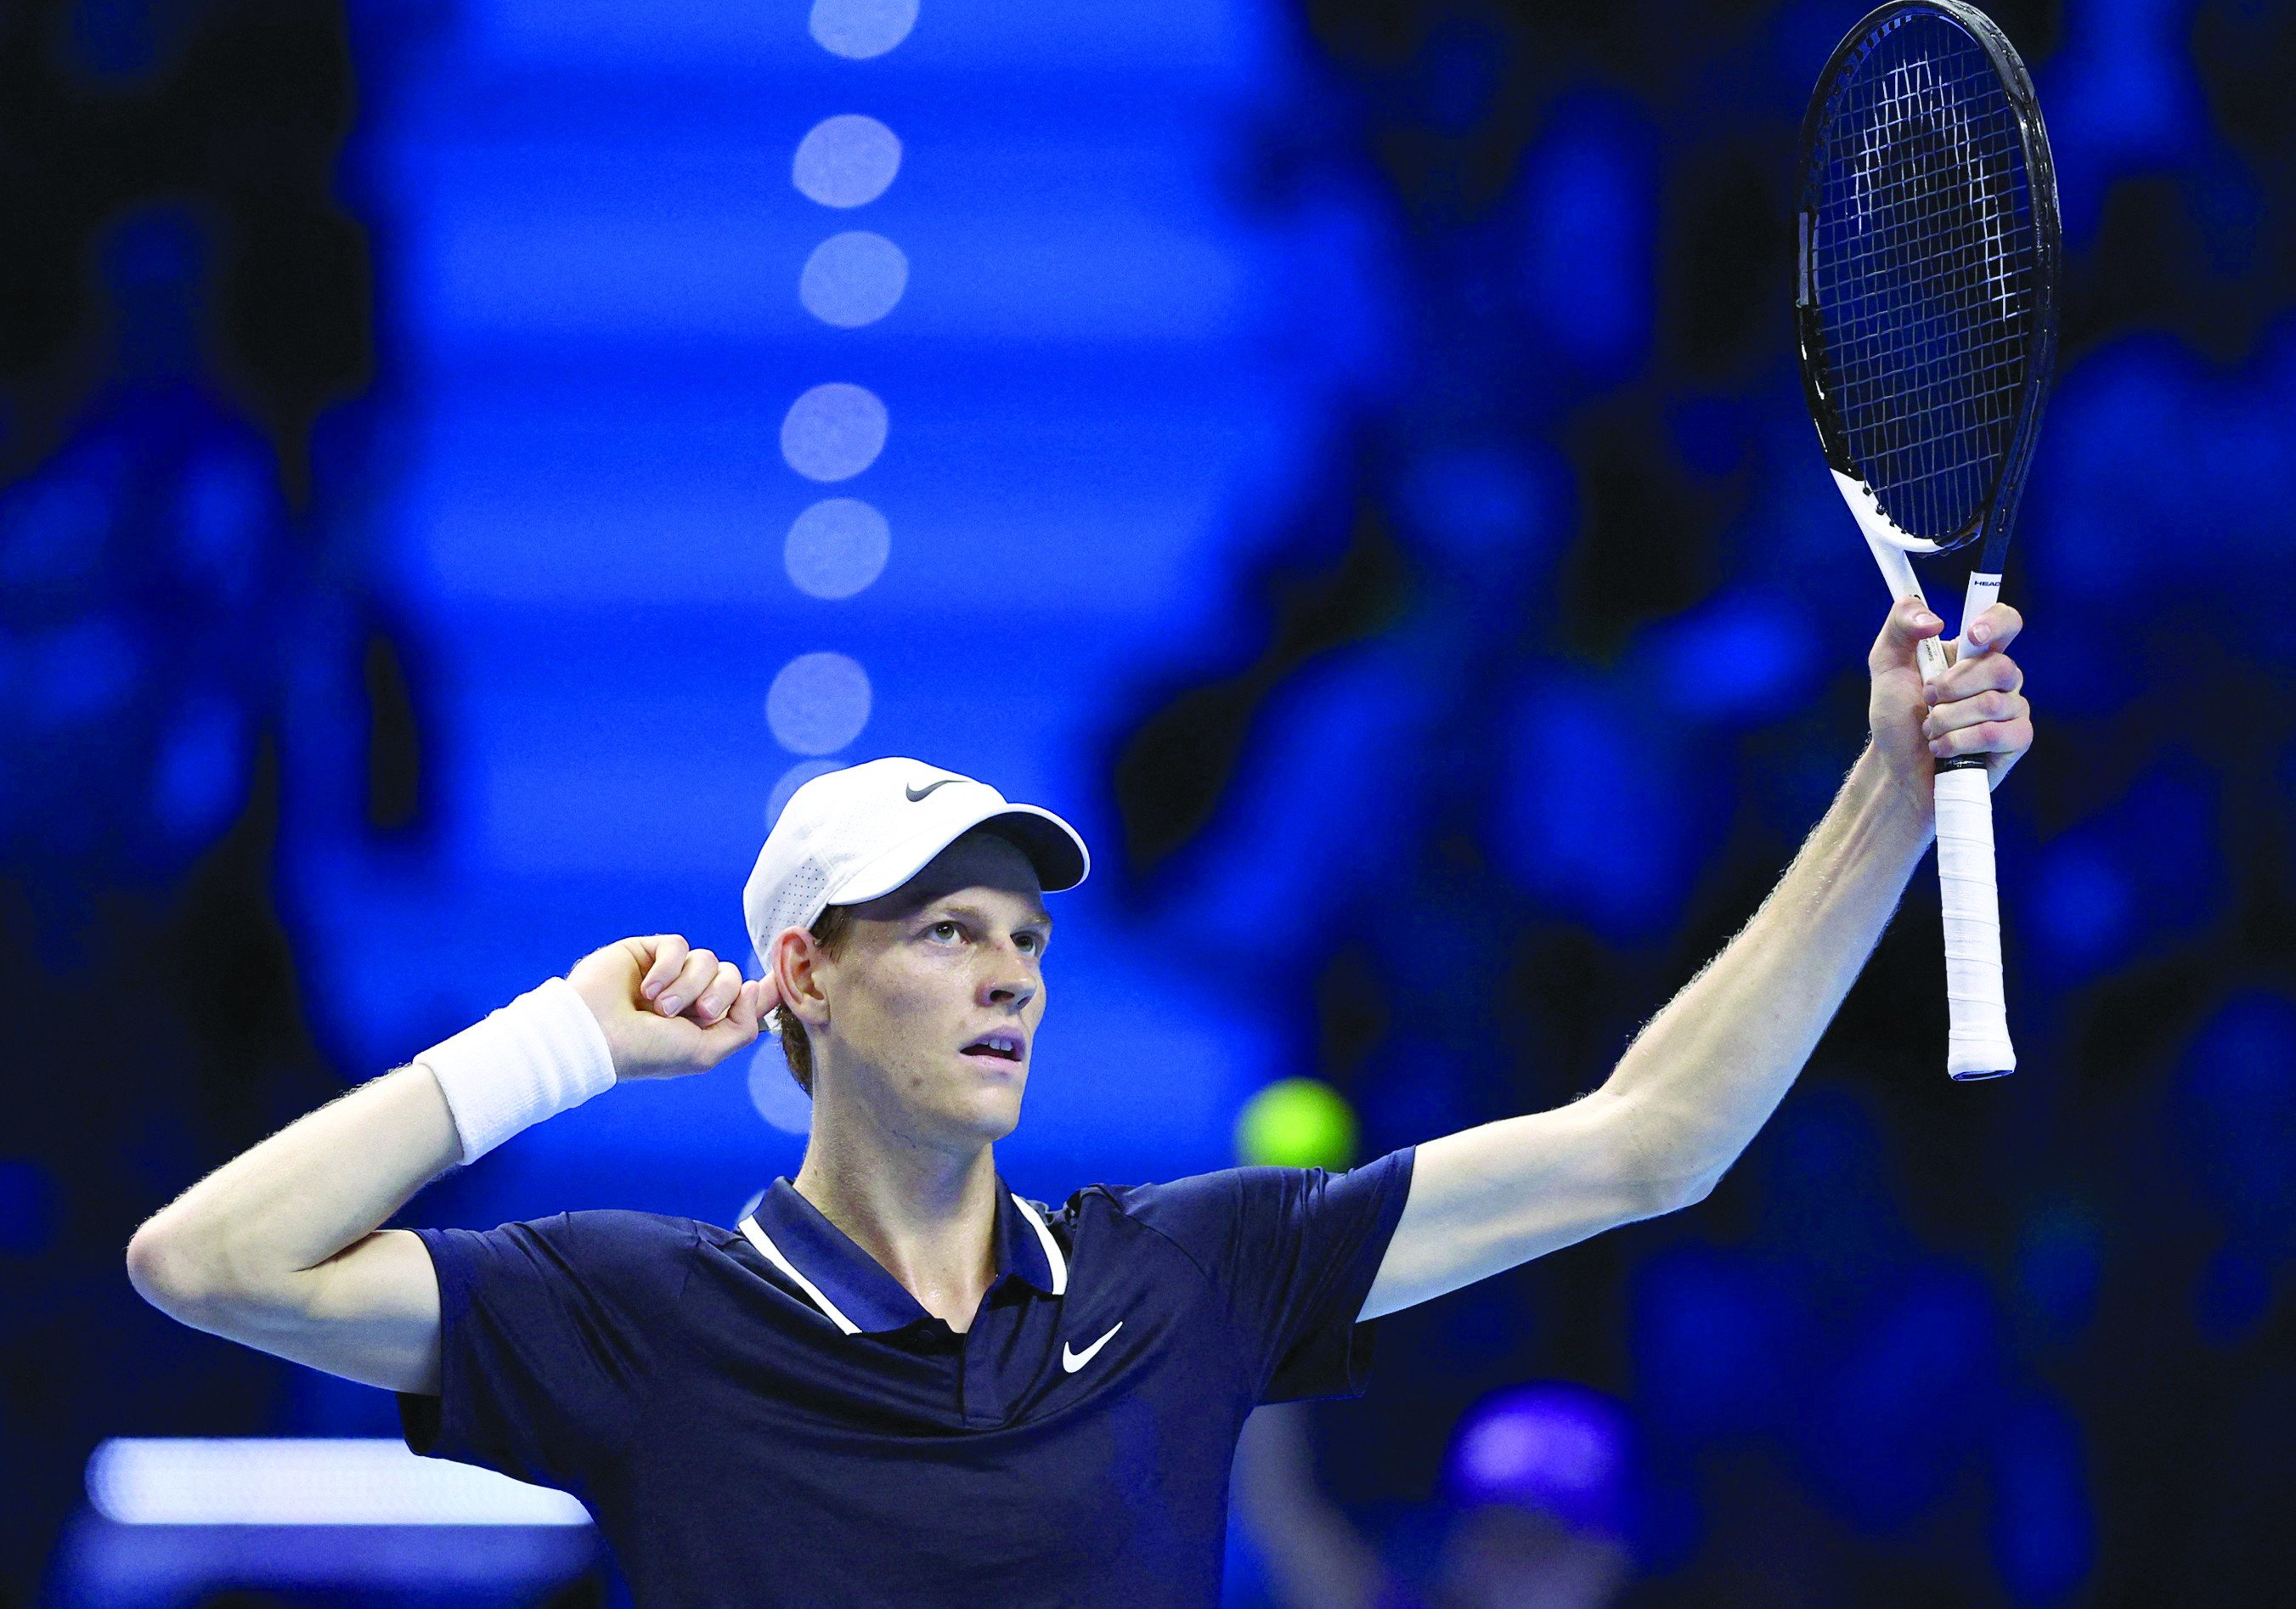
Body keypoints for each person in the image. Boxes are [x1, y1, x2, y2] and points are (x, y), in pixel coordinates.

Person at [126, 598, 2034, 1607]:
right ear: (802, 974)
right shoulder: (642, 1314)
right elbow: (207, 1258)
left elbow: (1649, 1139)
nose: (1010, 970)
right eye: (945, 929)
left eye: (1025, 935)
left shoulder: (1197, 1268)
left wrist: (1883, 786)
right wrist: (552, 1039)